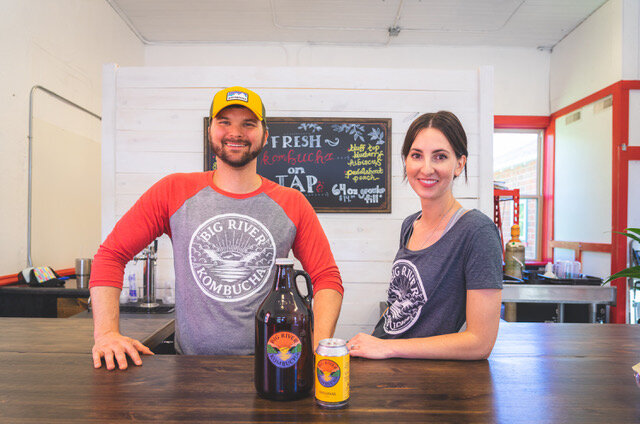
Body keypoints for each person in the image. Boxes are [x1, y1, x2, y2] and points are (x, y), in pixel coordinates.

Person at [90, 86, 344, 370]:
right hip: (189, 369)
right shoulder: (173, 190)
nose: (236, 133)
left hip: (271, 367)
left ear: (265, 135)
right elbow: (111, 255)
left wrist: (317, 346)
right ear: (210, 130)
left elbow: (327, 278)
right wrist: (107, 334)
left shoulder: (292, 202)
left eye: (248, 124)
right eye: (225, 122)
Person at [347, 111, 502, 360]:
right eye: (416, 155)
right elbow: (402, 304)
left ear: (459, 164)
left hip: (418, 373)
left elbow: (480, 343)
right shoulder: (410, 224)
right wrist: (376, 343)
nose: (426, 168)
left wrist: (387, 347)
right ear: (406, 161)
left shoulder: (477, 231)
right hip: (386, 361)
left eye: (440, 157)